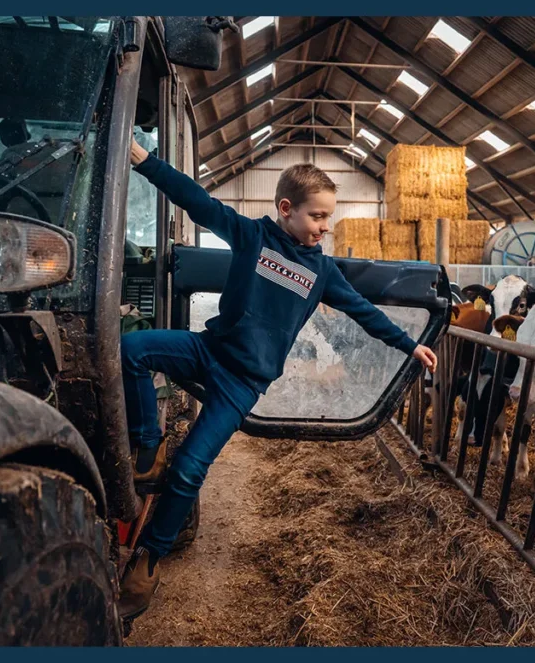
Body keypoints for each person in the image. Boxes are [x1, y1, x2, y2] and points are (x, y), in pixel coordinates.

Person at [117, 137, 437, 618]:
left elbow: (364, 313)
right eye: (317, 216)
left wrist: (408, 344)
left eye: (329, 217)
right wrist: (145, 162)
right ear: (286, 209)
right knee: (132, 349)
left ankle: (150, 557)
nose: (325, 228)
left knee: (189, 470)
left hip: (241, 384)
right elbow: (195, 200)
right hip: (208, 350)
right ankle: (148, 445)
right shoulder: (253, 236)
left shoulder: (323, 271)